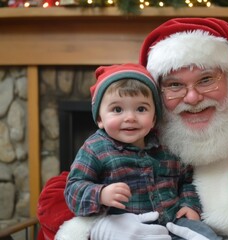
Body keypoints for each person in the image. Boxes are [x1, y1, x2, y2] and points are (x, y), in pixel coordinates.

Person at [37, 18, 228, 240]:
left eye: (206, 80)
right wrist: (101, 227)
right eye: (174, 85)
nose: (193, 98)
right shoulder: (144, 132)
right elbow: (58, 192)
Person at [62, 63, 218, 240]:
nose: (130, 117)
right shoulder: (95, 148)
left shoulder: (166, 146)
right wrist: (101, 194)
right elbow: (73, 189)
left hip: (173, 222)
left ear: (153, 118)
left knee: (207, 235)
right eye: (117, 109)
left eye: (141, 109)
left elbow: (187, 179)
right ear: (100, 118)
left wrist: (189, 204)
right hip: (126, 228)